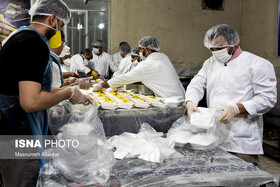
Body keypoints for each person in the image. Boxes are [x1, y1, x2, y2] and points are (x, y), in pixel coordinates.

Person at [0, 0, 93, 186]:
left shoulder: (18, 37)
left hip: (7, 130)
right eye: (60, 25)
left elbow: (29, 87)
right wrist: (68, 94)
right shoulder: (34, 44)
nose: (58, 31)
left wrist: (72, 91)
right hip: (18, 135)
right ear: (52, 19)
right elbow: (31, 102)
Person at [185, 24, 277, 164]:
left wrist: (236, 108)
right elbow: (197, 83)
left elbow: (267, 99)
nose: (216, 52)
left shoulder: (258, 64)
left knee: (243, 178)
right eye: (212, 49)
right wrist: (190, 102)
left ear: (234, 42)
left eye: (220, 48)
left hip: (241, 139)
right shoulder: (210, 63)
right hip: (214, 134)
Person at [93, 36, 185, 98]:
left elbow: (125, 78)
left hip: (171, 101)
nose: (140, 52)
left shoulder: (147, 65)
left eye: (141, 49)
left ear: (147, 49)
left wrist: (102, 86)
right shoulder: (163, 57)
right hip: (180, 96)